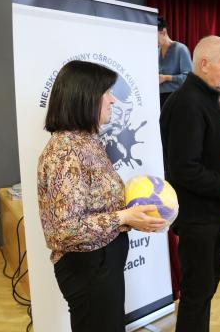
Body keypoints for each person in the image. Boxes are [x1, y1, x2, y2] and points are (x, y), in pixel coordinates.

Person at [37, 60, 166, 332]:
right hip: (89, 268)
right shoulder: (66, 151)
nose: (113, 100)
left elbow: (98, 204)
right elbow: (65, 229)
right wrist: (124, 217)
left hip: (101, 263)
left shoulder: (86, 141)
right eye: (106, 92)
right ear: (85, 96)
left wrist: (135, 213)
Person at [160, 35, 220, 332]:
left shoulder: (203, 98)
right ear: (204, 64)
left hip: (208, 214)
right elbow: (185, 169)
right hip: (197, 217)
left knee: (205, 289)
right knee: (197, 293)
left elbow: (204, 157)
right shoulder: (188, 103)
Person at [158, 17, 192, 108]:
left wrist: (166, 78)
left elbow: (189, 78)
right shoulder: (157, 51)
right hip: (159, 99)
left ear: (164, 32)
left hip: (177, 98)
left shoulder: (181, 49)